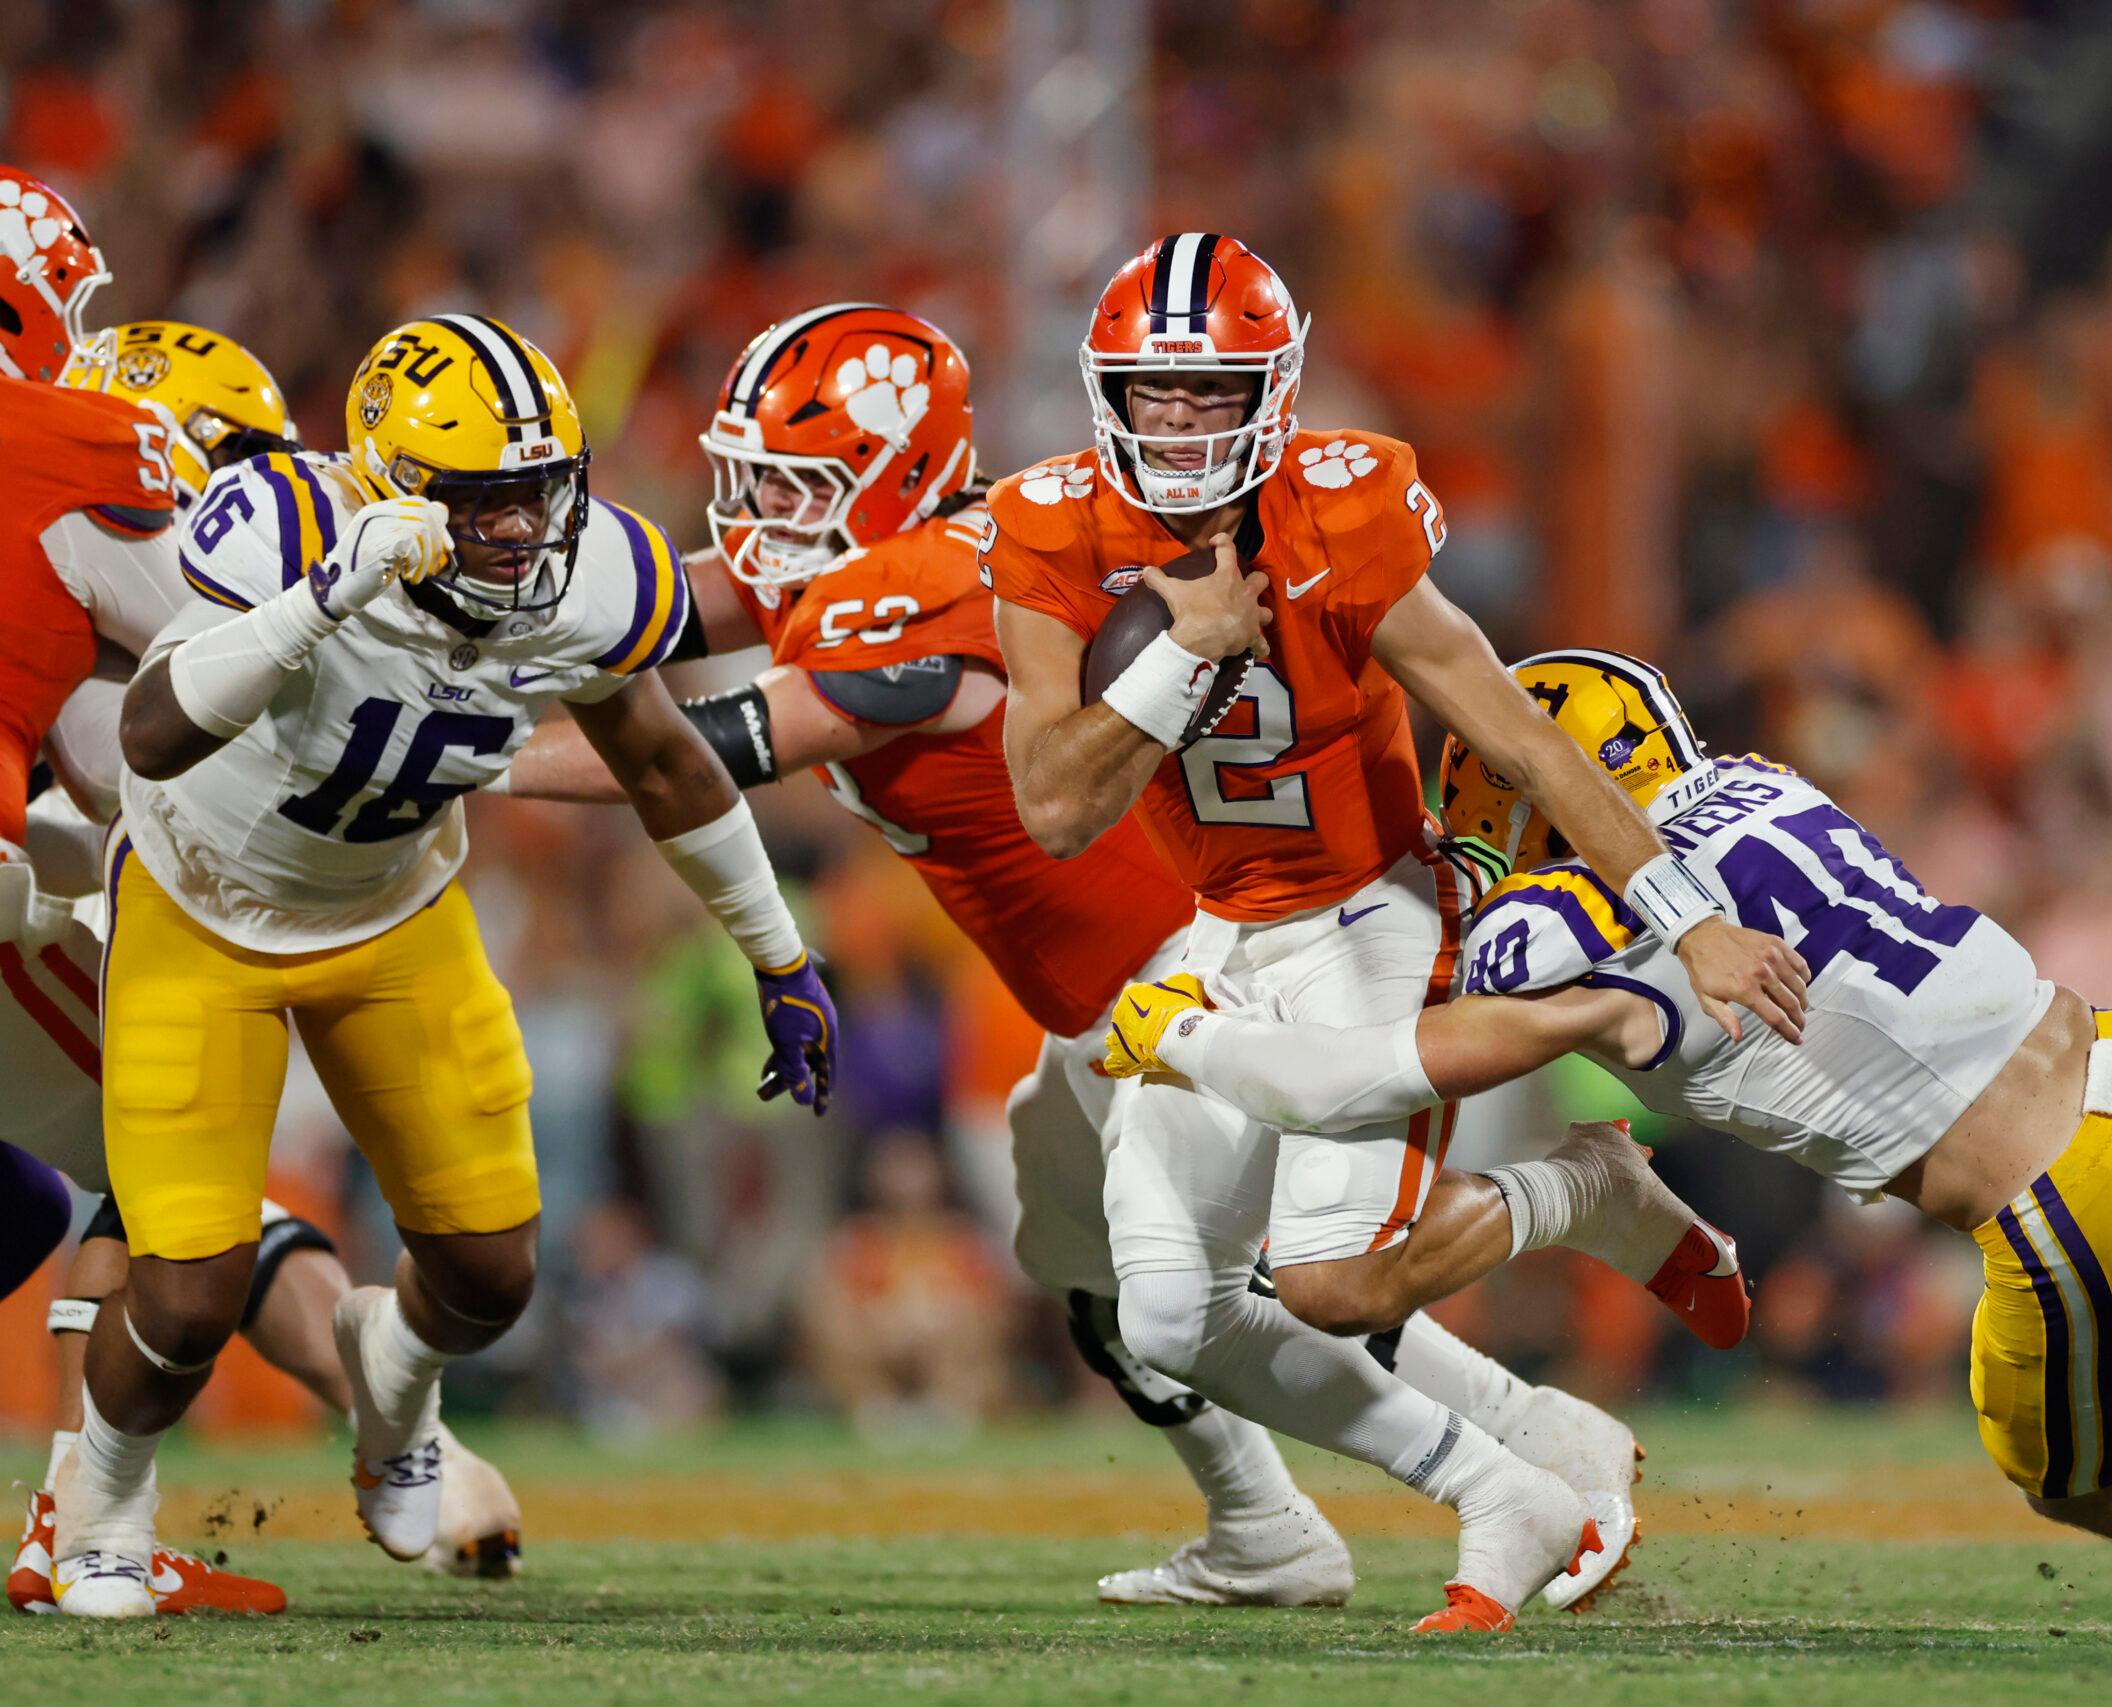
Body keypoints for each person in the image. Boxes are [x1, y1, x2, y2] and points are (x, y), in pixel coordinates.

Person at [495, 301, 1652, 1610]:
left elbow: (699, 753)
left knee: (1209, 1293)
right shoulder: (875, 548)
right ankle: (1303, 1518)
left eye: (794, 483)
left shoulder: (923, 588)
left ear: (895, 475)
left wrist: (453, 757)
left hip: (1197, 978)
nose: (760, 512)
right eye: (757, 479)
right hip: (1116, 999)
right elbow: (661, 602)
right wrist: (480, 595)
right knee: (1117, 1279)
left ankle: (1499, 1468)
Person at [1108, 646, 2112, 1639]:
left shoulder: (1558, 920)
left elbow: (1376, 1077)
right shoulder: (1764, 783)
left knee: (2081, 1483)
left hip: (2071, 1195)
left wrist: (1191, 1037)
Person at [982, 234, 1810, 1632]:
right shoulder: (1051, 523)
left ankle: (1582, 1197)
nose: (1177, 420)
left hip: (1371, 913)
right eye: (1152, 390)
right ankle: (1513, 1474)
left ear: (1275, 389)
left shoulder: (1344, 508)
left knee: (1328, 1283)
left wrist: (1690, 925)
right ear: (1104, 391)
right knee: (1166, 1315)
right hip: (1218, 930)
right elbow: (1056, 808)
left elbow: (1521, 737)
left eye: (1212, 389)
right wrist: (1184, 651)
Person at [45, 313, 838, 1618]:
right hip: (198, 911)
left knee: (489, 1277)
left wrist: (776, 952)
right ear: (392, 485)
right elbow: (153, 731)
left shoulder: (592, 576)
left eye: (538, 491)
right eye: (479, 500)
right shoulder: (285, 524)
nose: (520, 529)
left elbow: (664, 763)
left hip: (395, 916)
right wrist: (328, 596)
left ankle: (393, 1380)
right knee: (184, 1302)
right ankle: (103, 1511)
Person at [0, 184, 526, 1609]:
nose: (233, 499)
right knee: (158, 1180)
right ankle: (80, 1523)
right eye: (221, 465)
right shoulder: (87, 496)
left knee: (115, 1193)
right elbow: (131, 757)